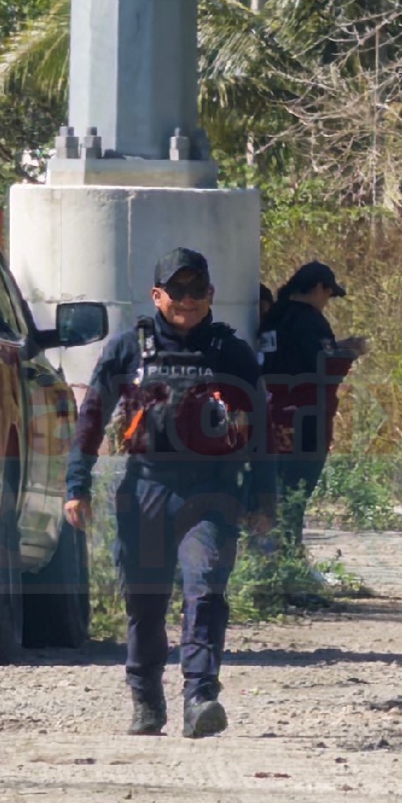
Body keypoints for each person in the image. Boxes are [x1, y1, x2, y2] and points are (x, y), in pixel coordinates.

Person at [64, 248, 275, 738]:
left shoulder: (232, 353)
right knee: (145, 602)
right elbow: (91, 418)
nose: (186, 300)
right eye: (175, 290)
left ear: (210, 295)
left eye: (196, 290)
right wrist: (78, 485)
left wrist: (265, 501)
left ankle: (200, 696)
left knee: (205, 591)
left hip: (213, 492)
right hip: (146, 489)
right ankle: (146, 700)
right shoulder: (128, 350)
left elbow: (261, 432)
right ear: (157, 295)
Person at [257, 261, 368, 545]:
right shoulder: (310, 318)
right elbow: (323, 365)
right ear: (319, 288)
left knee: (274, 489)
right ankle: (289, 559)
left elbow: (295, 355)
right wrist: (350, 352)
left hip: (271, 415)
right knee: (297, 492)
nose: (326, 303)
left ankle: (269, 556)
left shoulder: (273, 316)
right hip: (306, 419)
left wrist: (337, 346)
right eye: (328, 296)